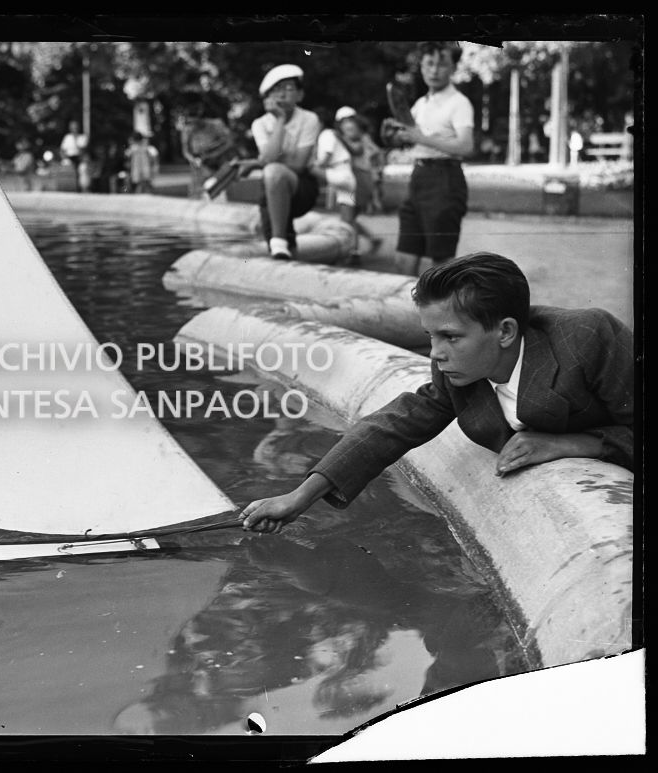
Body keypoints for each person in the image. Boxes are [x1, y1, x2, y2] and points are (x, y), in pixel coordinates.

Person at [240, 252, 633, 534]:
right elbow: (394, 425)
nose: (435, 352)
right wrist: (300, 496)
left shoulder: (588, 339)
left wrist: (577, 443)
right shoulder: (457, 366)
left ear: (506, 331)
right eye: (430, 335)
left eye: (450, 337)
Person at [384, 42, 474, 277]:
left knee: (440, 264)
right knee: (404, 259)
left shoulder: (459, 103)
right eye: (429, 64)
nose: (434, 71)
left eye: (442, 64)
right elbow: (410, 138)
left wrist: (420, 137)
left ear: (453, 68)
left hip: (445, 179)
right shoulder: (421, 103)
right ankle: (402, 313)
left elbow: (466, 146)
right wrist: (394, 135)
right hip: (419, 178)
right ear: (421, 67)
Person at [239, 64, 320, 260]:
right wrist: (280, 121)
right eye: (275, 90)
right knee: (279, 246)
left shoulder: (309, 119)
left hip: (302, 187)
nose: (281, 94)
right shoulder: (260, 124)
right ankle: (281, 247)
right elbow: (269, 158)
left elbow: (299, 165)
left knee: (274, 172)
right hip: (273, 188)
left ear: (300, 95)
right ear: (267, 98)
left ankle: (279, 241)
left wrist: (260, 163)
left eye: (288, 88)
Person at [336, 106, 385, 256]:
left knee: (348, 218)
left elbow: (356, 150)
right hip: (357, 179)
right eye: (344, 122)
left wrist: (339, 139)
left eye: (350, 121)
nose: (348, 125)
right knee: (351, 217)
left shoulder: (359, 137)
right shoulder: (364, 137)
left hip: (358, 179)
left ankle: (353, 251)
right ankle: (369, 240)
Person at [60, 120, 87, 190]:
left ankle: (82, 188)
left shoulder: (82, 137)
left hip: (78, 158)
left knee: (83, 168)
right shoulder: (67, 137)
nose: (74, 129)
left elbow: (82, 150)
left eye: (75, 127)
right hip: (68, 157)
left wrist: (76, 140)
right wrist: (64, 158)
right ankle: (67, 187)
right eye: (73, 127)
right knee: (66, 164)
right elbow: (62, 150)